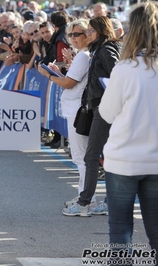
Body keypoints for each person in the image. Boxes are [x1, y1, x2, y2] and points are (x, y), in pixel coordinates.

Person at [99, 2, 158, 263]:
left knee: (121, 233)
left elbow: (107, 113)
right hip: (155, 161)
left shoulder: (125, 69)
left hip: (124, 160)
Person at [62, 16, 121, 217]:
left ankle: (85, 201)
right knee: (103, 156)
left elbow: (118, 76)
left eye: (91, 31)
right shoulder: (99, 48)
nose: (88, 34)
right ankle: (104, 201)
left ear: (101, 31)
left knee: (92, 156)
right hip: (100, 107)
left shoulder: (106, 49)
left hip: (104, 108)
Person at [37, 18, 95, 211]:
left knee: (82, 157)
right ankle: (84, 196)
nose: (73, 38)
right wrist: (56, 74)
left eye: (77, 34)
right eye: (70, 34)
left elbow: (69, 84)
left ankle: (87, 199)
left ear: (87, 35)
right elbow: (71, 81)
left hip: (79, 110)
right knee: (81, 156)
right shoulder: (82, 55)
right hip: (76, 109)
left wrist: (49, 75)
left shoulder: (83, 56)